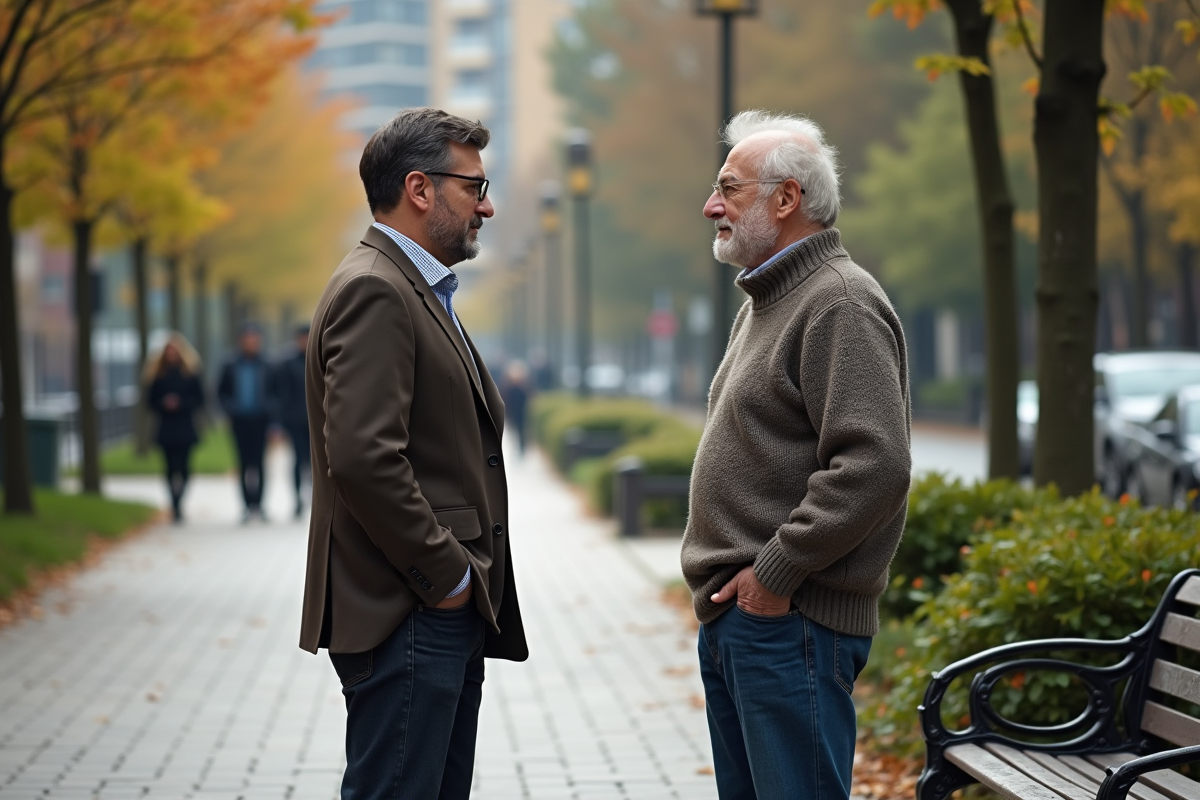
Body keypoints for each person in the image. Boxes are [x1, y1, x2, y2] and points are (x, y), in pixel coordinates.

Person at [681, 110, 912, 800]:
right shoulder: (768, 300)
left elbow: (875, 465)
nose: (711, 205)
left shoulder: (839, 302)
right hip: (750, 621)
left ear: (786, 199)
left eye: (729, 188)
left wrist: (774, 575)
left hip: (790, 623)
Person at [299, 107, 527, 800]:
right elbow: (364, 458)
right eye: (473, 187)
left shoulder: (411, 286)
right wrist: (447, 577)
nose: (486, 206)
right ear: (420, 189)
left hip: (426, 608)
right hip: (410, 607)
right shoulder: (378, 288)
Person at [217, 323, 275, 523]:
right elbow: (220, 392)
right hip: (239, 421)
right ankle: (245, 506)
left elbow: (276, 392)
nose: (251, 343)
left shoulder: (268, 364)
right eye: (247, 340)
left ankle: (259, 505)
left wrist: (272, 414)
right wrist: (229, 409)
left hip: (261, 421)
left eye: (254, 340)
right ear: (241, 341)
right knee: (242, 463)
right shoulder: (230, 364)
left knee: (260, 464)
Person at [145, 333, 206, 523]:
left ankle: (179, 501)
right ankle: (174, 504)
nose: (171, 354)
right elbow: (150, 402)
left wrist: (181, 403)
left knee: (185, 467)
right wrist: (164, 403)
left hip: (185, 425)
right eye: (168, 351)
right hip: (166, 427)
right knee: (170, 467)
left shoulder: (190, 373)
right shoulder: (158, 375)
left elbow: (200, 399)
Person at [275, 323, 311, 518]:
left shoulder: (319, 358)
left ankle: (313, 496)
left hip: (316, 421)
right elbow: (282, 394)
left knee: (315, 462)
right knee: (298, 459)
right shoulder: (287, 363)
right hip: (295, 420)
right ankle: (297, 498)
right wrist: (280, 423)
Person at [499, 360, 532, 455]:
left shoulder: (521, 388)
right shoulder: (510, 389)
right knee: (515, 431)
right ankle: (519, 447)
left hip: (520, 413)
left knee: (520, 430)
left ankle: (521, 447)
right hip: (514, 413)